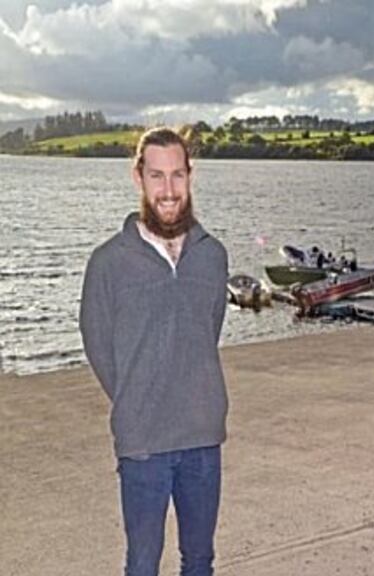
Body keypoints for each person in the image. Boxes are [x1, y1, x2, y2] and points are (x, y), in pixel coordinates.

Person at [80, 126, 229, 576]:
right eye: (157, 176)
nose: (168, 190)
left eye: (177, 176)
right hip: (142, 443)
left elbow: (210, 329)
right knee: (142, 563)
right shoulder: (108, 262)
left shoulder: (212, 255)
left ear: (190, 176)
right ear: (138, 178)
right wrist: (136, 395)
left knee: (199, 560)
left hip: (203, 438)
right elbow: (97, 342)